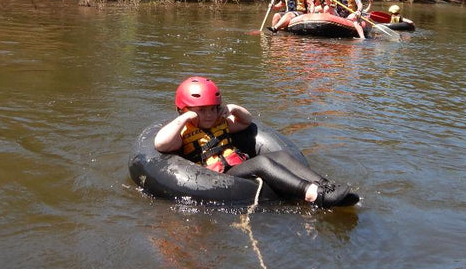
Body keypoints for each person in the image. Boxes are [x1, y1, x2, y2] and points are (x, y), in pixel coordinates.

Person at [154, 76, 359, 207]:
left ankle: (325, 185)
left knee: (280, 155)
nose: (209, 115)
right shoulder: (182, 133)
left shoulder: (221, 123)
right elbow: (160, 145)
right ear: (184, 110)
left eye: (213, 108)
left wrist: (234, 108)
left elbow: (246, 121)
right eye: (201, 110)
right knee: (262, 163)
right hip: (221, 177)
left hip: (239, 165)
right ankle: (312, 194)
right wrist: (184, 119)